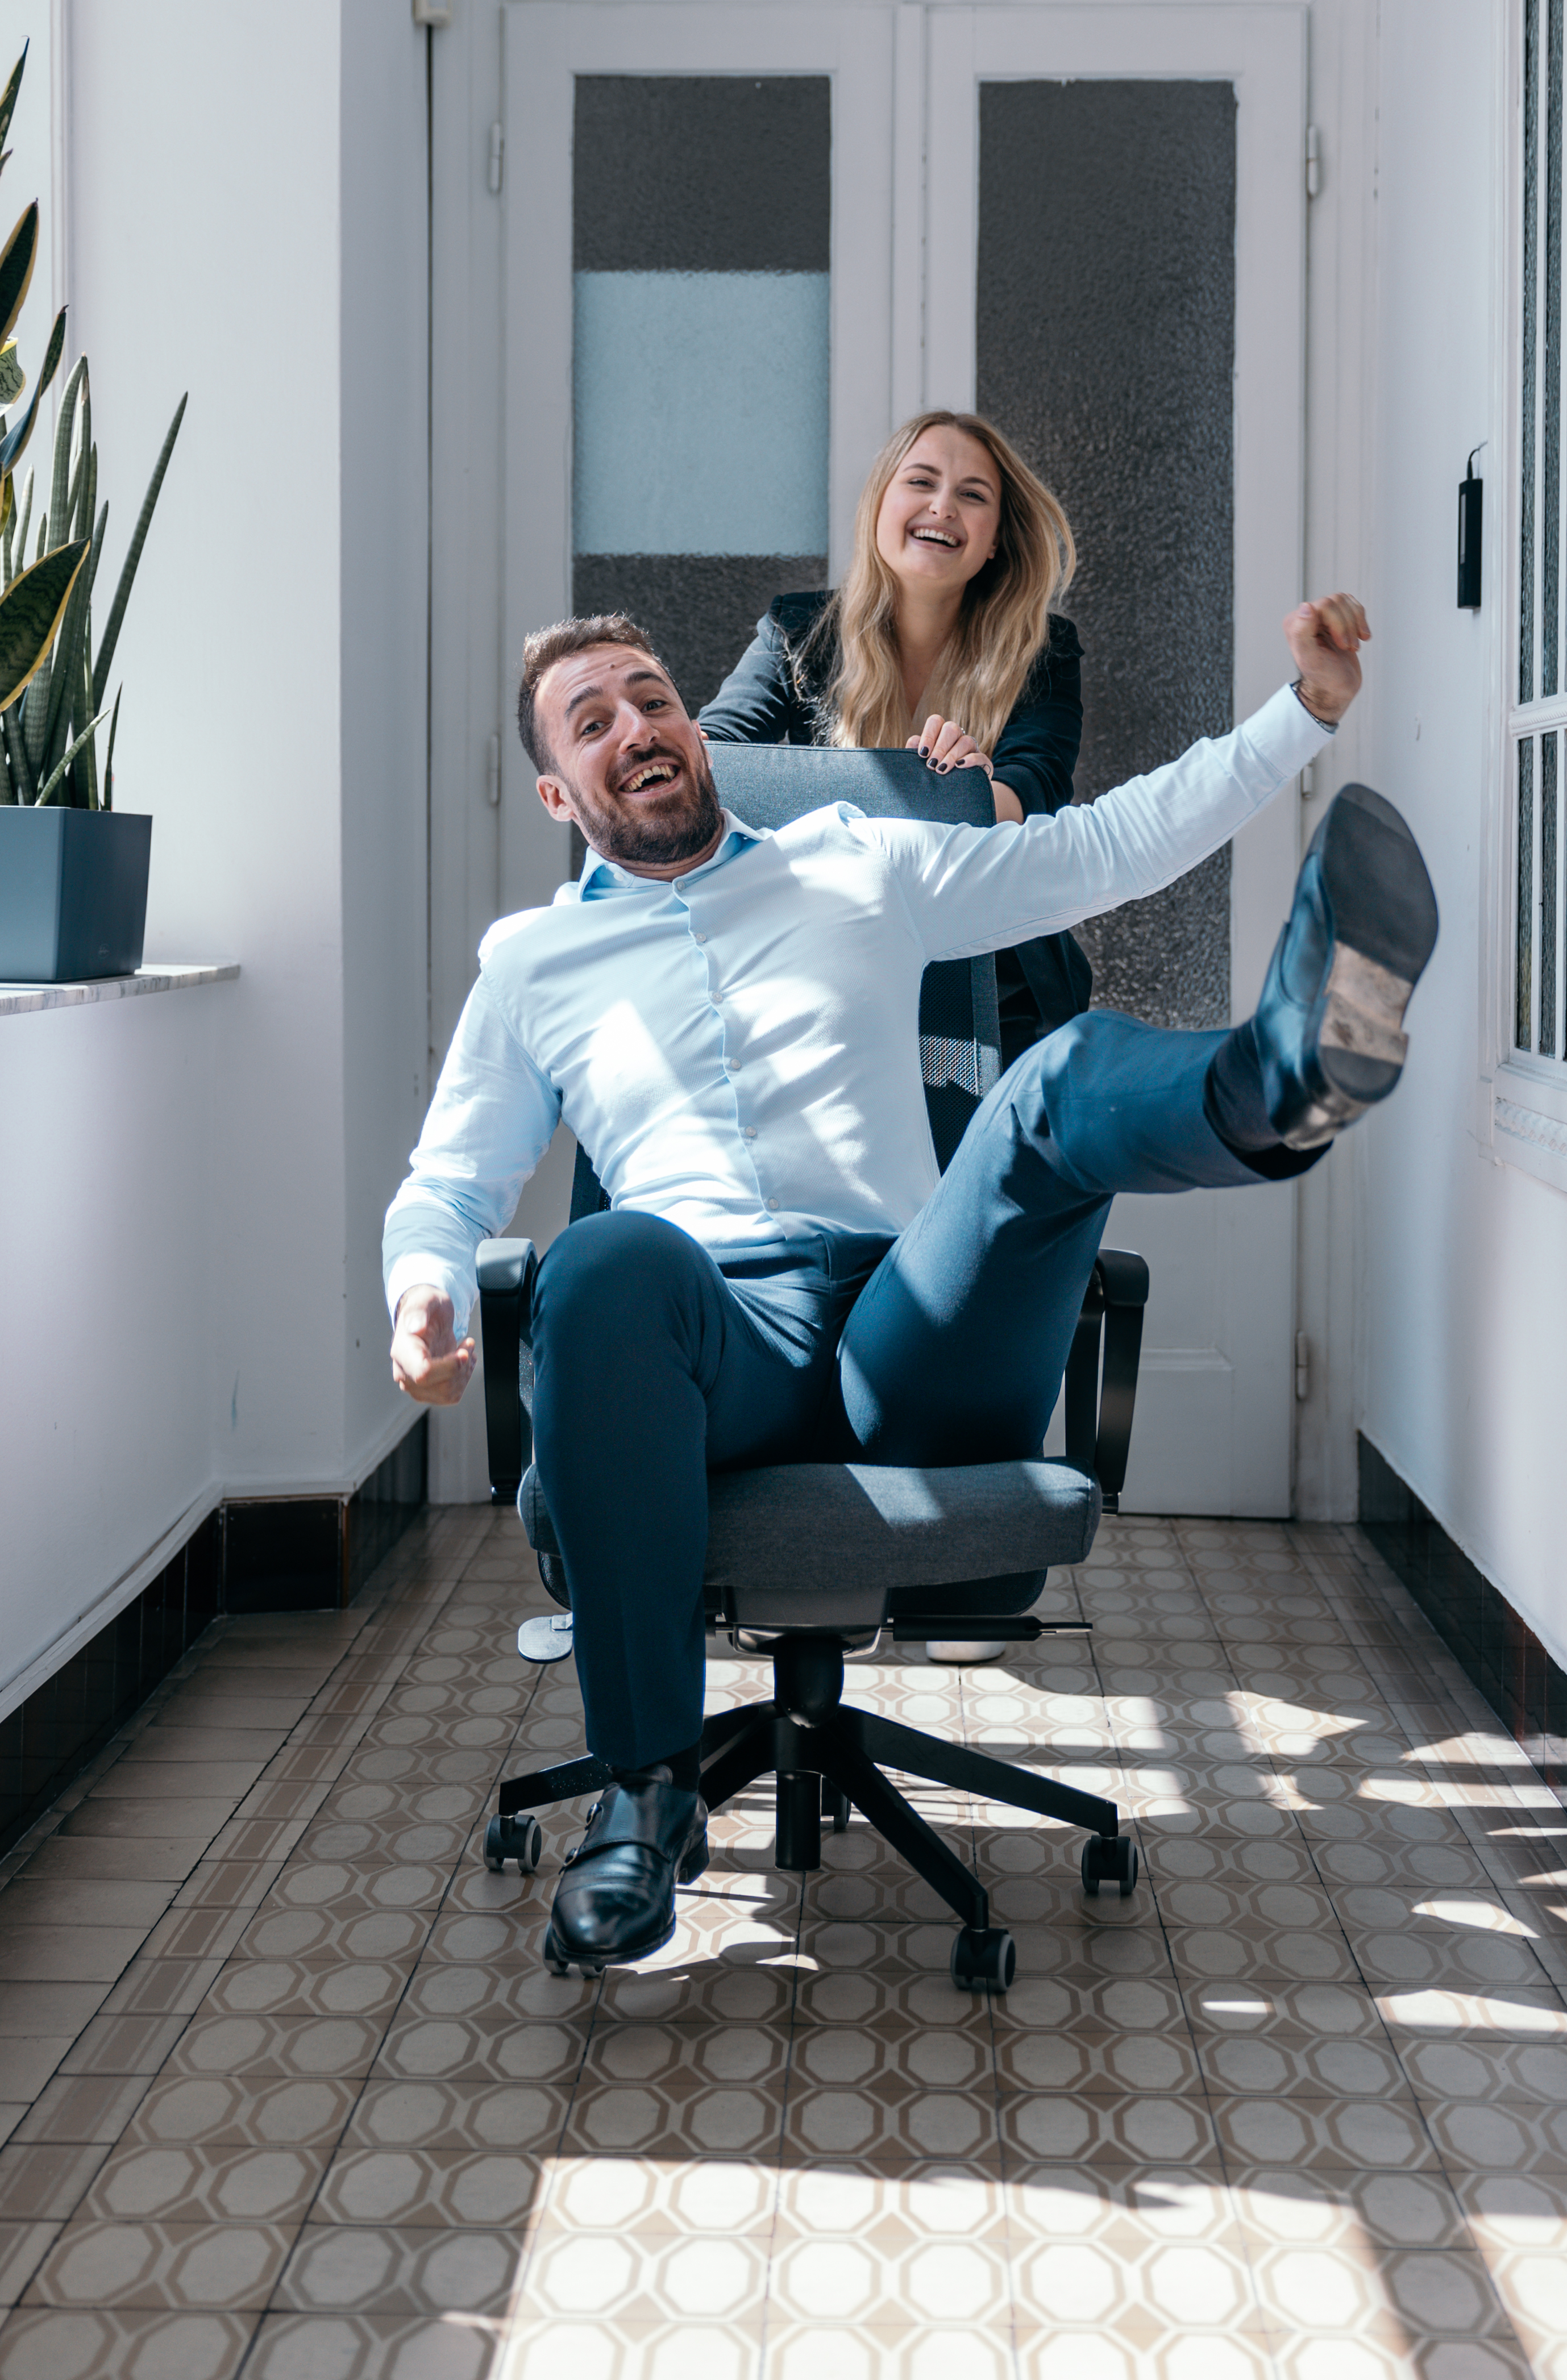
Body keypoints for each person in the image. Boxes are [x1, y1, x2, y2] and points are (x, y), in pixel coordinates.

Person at [385, 592, 1436, 1978]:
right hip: (714, 1349)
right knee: (601, 1255)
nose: (636, 728)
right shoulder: (530, 965)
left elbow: (1097, 850)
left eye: (650, 697)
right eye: (594, 722)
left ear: (690, 726)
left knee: (1045, 1083)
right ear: (553, 789)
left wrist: (1293, 714)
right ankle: (644, 1807)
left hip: (908, 1326)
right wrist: (423, 1288)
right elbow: (449, 1182)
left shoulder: (852, 860)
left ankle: (1276, 1078)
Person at [700, 411, 1089, 1070]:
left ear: (994, 539)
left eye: (972, 495)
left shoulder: (1043, 650)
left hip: (996, 983)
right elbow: (716, 762)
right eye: (921, 481)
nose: (942, 506)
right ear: (880, 503)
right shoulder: (796, 630)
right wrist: (952, 798)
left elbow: (1035, 787)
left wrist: (981, 791)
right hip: (826, 966)